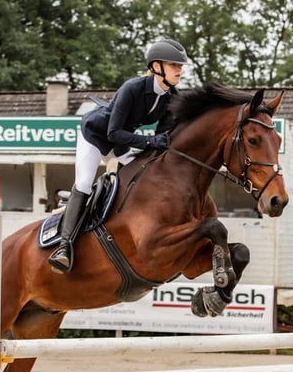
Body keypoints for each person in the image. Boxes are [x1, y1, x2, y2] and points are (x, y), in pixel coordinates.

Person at [48, 38, 188, 273]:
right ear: (156, 67)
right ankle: (64, 247)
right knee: (83, 183)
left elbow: (161, 136)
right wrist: (149, 141)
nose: (179, 70)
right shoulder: (132, 88)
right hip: (95, 136)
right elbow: (113, 132)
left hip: (121, 143)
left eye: (180, 66)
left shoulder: (172, 97)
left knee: (141, 178)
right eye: (174, 65)